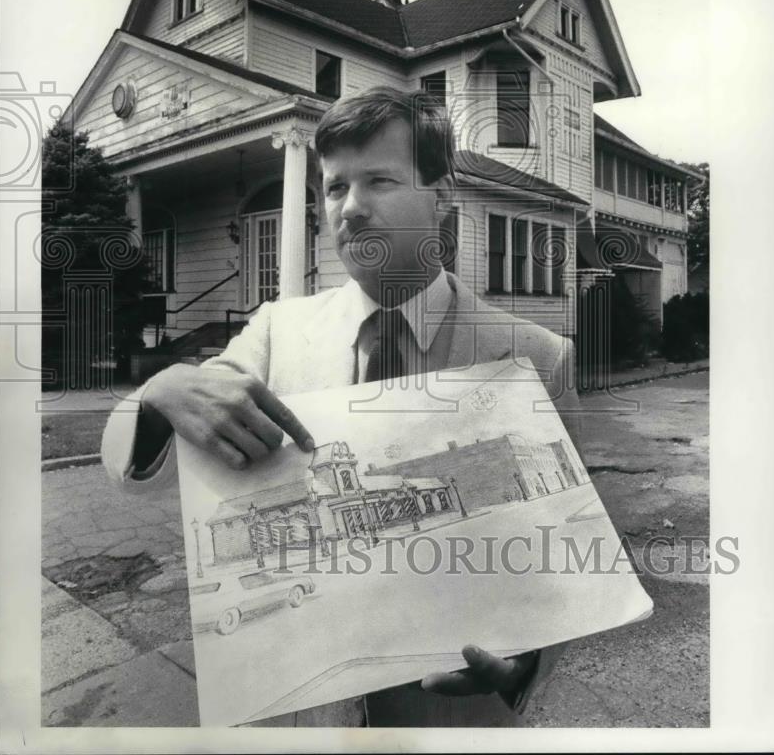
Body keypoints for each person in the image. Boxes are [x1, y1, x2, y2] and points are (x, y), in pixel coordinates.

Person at [102, 86, 584, 727]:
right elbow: (135, 479)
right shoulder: (274, 334)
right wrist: (159, 392)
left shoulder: (536, 357)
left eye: (380, 181)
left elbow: (575, 557)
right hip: (299, 717)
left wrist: (526, 667)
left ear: (442, 197)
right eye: (333, 188)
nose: (351, 209)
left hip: (449, 721)